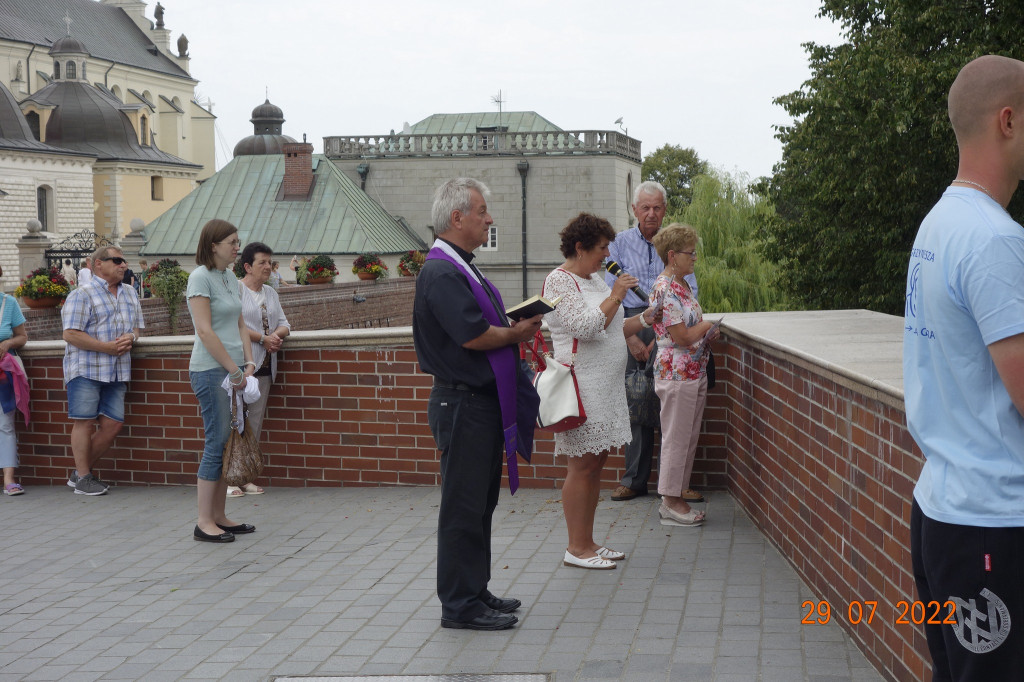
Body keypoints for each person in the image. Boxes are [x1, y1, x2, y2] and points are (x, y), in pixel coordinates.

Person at [903, 54, 1024, 680]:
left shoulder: (941, 222)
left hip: (945, 511)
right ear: (1008, 121)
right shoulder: (996, 239)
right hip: (994, 526)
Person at [413, 177, 542, 630]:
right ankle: (460, 605)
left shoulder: (459, 266)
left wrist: (512, 326)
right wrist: (516, 333)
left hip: (475, 404)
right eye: (482, 212)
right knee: (463, 509)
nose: (490, 220)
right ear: (457, 218)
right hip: (462, 403)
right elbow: (472, 335)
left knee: (479, 505)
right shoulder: (442, 272)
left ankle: (475, 588)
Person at [543, 213, 659, 569]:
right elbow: (586, 327)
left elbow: (611, 326)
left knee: (596, 463)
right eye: (602, 248)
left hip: (606, 386)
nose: (608, 255)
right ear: (580, 248)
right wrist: (617, 293)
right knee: (581, 467)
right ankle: (576, 548)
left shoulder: (593, 278)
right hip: (582, 386)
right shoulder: (559, 281)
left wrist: (644, 319)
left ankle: (588, 541)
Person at [605, 180, 703, 504]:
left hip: (671, 329)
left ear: (664, 210)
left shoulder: (675, 245)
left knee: (673, 408)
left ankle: (676, 484)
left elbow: (690, 293)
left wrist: (664, 335)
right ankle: (634, 479)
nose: (651, 213)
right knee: (637, 401)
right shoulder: (619, 244)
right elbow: (610, 294)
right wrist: (630, 336)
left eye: (657, 207)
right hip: (632, 323)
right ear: (634, 210)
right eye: (645, 207)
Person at [186, 219, 256, 543]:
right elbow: (204, 331)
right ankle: (204, 522)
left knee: (227, 442)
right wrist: (233, 370)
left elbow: (241, 325)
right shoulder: (199, 277)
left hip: (232, 370)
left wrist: (248, 362)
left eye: (238, 241)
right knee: (216, 442)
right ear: (213, 245)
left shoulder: (229, 277)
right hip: (211, 370)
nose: (237, 247)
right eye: (232, 242)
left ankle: (219, 516)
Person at [650, 224, 718, 527]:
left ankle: (675, 497)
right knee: (676, 438)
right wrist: (706, 327)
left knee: (687, 437)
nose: (694, 258)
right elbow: (681, 336)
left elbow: (689, 330)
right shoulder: (664, 289)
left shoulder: (681, 284)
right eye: (690, 253)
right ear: (672, 255)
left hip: (691, 369)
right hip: (676, 373)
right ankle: (671, 501)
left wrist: (705, 334)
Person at [61, 246, 143, 495]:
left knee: (113, 424)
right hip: (86, 368)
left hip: (118, 370)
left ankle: (79, 474)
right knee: (84, 422)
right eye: (117, 260)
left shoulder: (130, 292)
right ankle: (84, 478)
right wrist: (106, 347)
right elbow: (70, 333)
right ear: (98, 264)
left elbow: (137, 329)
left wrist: (131, 337)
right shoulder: (82, 294)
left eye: (124, 261)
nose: (123, 265)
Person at [227, 242, 290, 498]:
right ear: (247, 266)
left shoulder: (270, 293)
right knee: (234, 421)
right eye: (262, 262)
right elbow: (233, 325)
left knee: (254, 423)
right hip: (241, 366)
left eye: (270, 262)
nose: (268, 267)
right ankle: (229, 479)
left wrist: (275, 336)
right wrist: (263, 338)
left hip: (264, 368)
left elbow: (285, 323)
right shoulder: (236, 290)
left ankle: (246, 477)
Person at [0, 266, 28, 496]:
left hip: (3, 374)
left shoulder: (8, 303)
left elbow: (22, 336)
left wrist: (8, 343)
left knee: (5, 424)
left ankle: (9, 479)